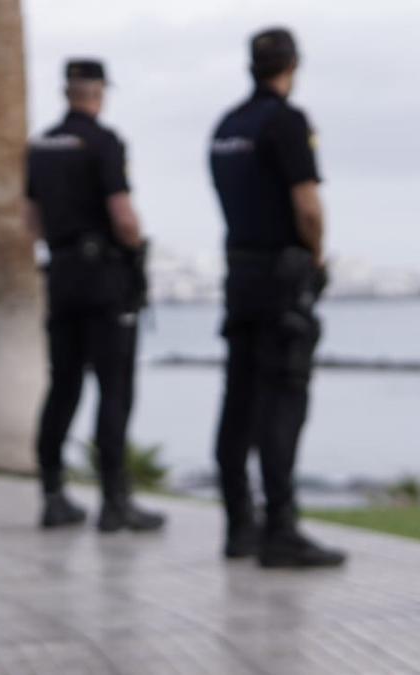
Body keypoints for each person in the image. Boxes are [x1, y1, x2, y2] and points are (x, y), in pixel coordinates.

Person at [209, 28, 345, 568]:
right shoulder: (285, 122)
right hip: (280, 278)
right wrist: (314, 256)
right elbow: (307, 207)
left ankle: (239, 524)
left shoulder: (227, 126)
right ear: (292, 65)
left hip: (239, 276)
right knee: (283, 399)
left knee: (238, 400)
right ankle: (280, 529)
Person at [26, 59, 165, 533]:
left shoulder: (39, 146)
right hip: (104, 279)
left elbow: (31, 221)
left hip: (62, 276)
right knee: (114, 388)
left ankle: (52, 493)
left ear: (67, 93)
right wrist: (135, 248)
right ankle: (114, 501)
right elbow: (123, 215)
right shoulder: (105, 143)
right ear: (98, 92)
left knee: (63, 386)